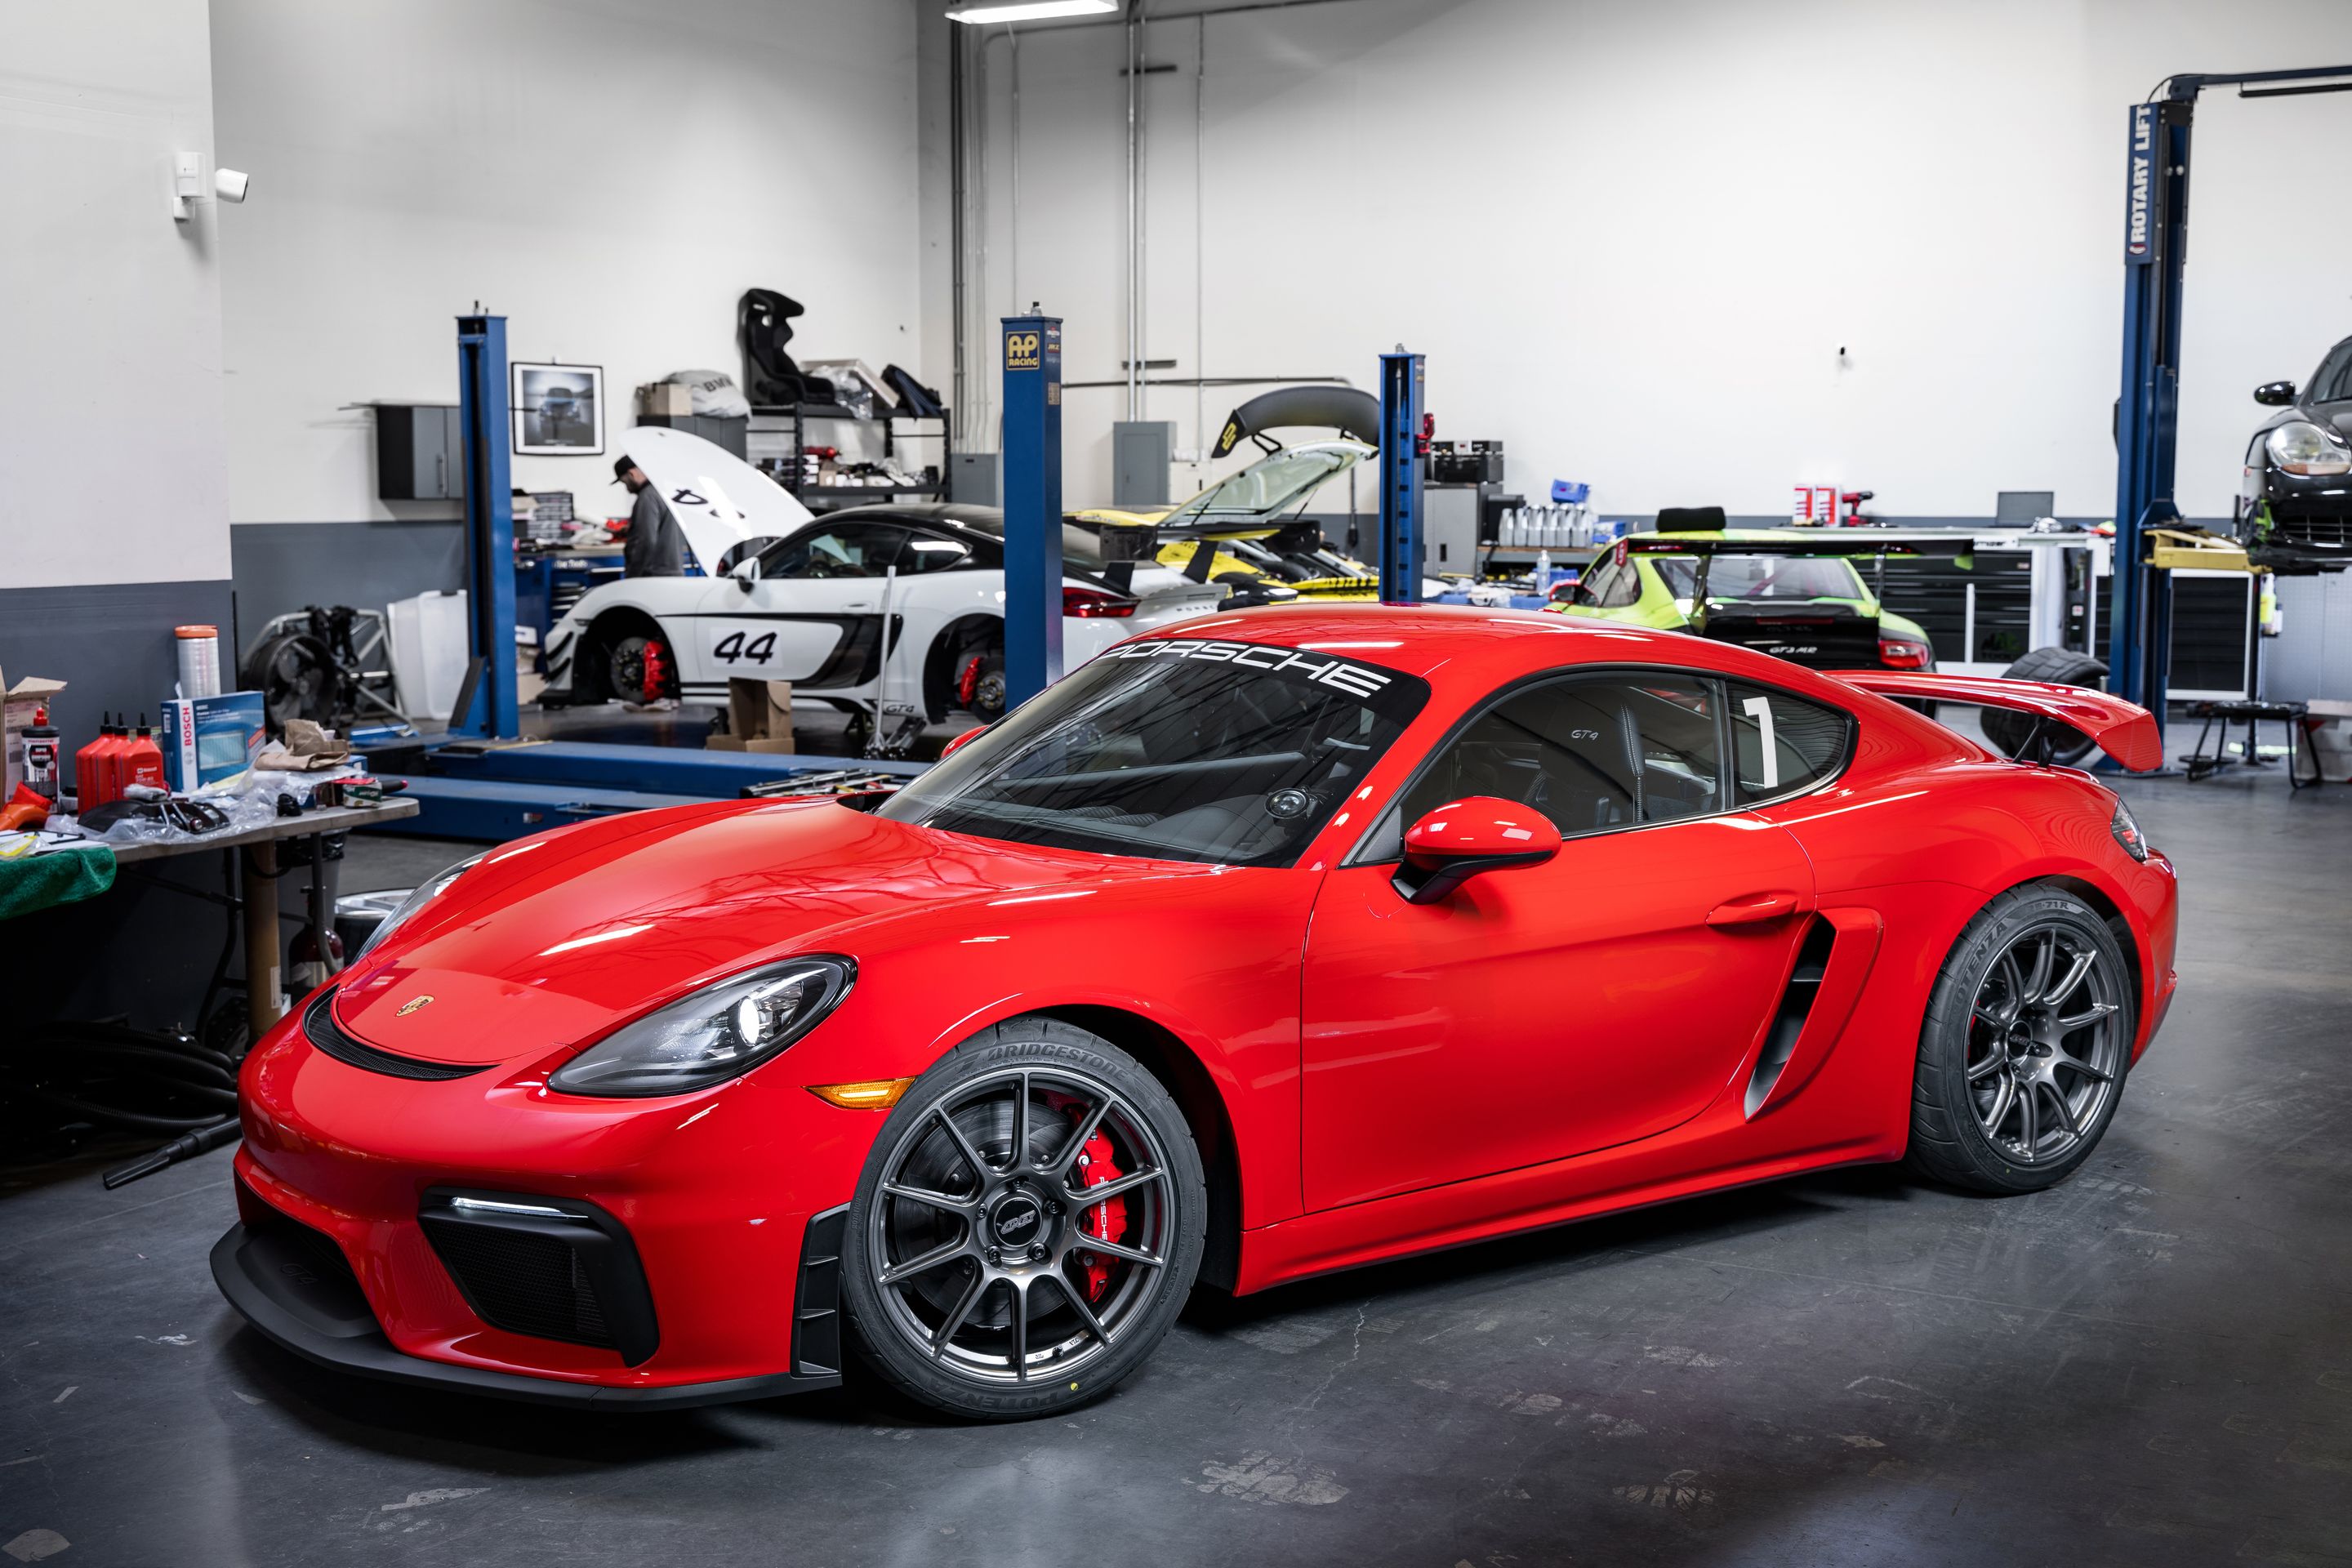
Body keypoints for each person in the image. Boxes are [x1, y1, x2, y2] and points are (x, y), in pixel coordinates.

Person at [612, 457, 686, 577]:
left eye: (625, 483)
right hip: (673, 572)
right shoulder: (664, 492)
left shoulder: (647, 497)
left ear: (632, 473)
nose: (628, 489)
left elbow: (646, 541)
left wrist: (633, 575)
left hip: (654, 576)